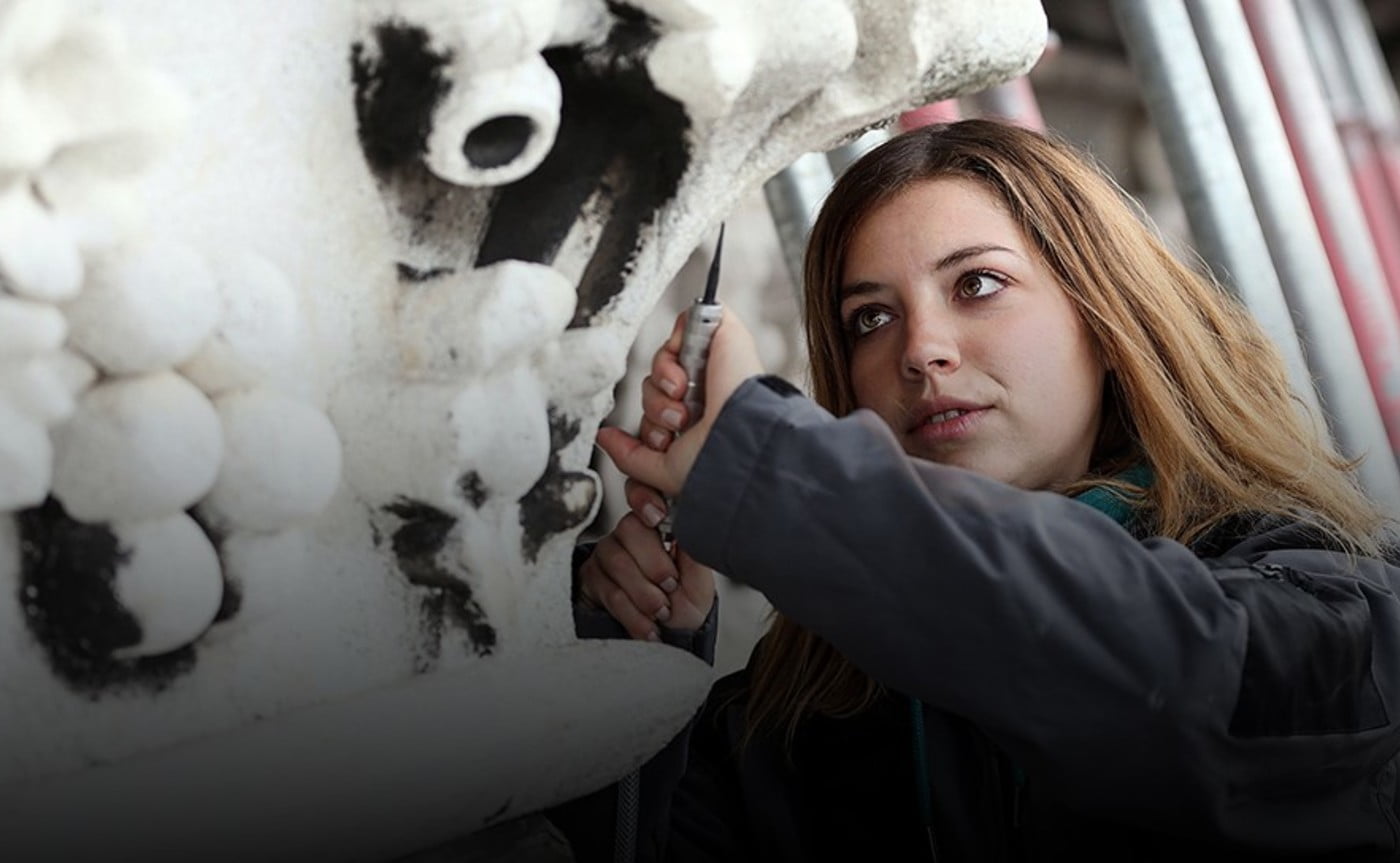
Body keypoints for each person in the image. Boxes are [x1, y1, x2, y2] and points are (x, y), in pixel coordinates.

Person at [554, 119, 1400, 861]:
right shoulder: (819, 693)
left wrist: (769, 468)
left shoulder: (1327, 591)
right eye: (871, 318)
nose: (922, 349)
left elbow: (1167, 686)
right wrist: (637, 673)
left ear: (1105, 317)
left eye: (978, 284)